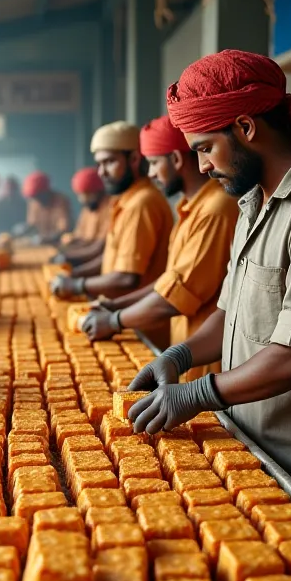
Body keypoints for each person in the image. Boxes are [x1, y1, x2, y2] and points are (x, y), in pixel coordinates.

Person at [128, 50, 291, 544]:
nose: (202, 164)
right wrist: (182, 354)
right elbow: (230, 313)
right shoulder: (254, 203)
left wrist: (199, 394)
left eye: (205, 147)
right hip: (258, 451)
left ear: (246, 127)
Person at [82, 114, 238, 381]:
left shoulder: (215, 210)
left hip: (206, 361)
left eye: (153, 163)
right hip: (182, 349)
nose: (151, 172)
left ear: (176, 160)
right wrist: (113, 306)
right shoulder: (189, 210)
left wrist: (114, 319)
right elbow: (167, 282)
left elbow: (174, 297)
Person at [51, 121, 173, 347]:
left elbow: (127, 276)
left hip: (140, 326)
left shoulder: (142, 203)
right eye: (99, 164)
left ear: (135, 159)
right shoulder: (125, 202)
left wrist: (77, 285)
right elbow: (108, 256)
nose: (101, 172)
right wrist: (75, 274)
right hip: (120, 318)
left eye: (109, 162)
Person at [57, 167, 112, 266]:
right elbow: (81, 237)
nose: (82, 199)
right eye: (80, 195)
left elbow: (99, 247)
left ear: (99, 191)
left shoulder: (111, 207)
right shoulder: (87, 208)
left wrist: (67, 257)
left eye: (87, 194)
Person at [22, 170, 72, 243]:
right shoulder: (34, 203)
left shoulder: (61, 201)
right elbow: (32, 224)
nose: (36, 200)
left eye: (38, 196)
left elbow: (64, 227)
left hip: (59, 243)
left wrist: (50, 238)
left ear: (46, 191)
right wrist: (25, 230)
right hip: (40, 244)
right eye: (34, 197)